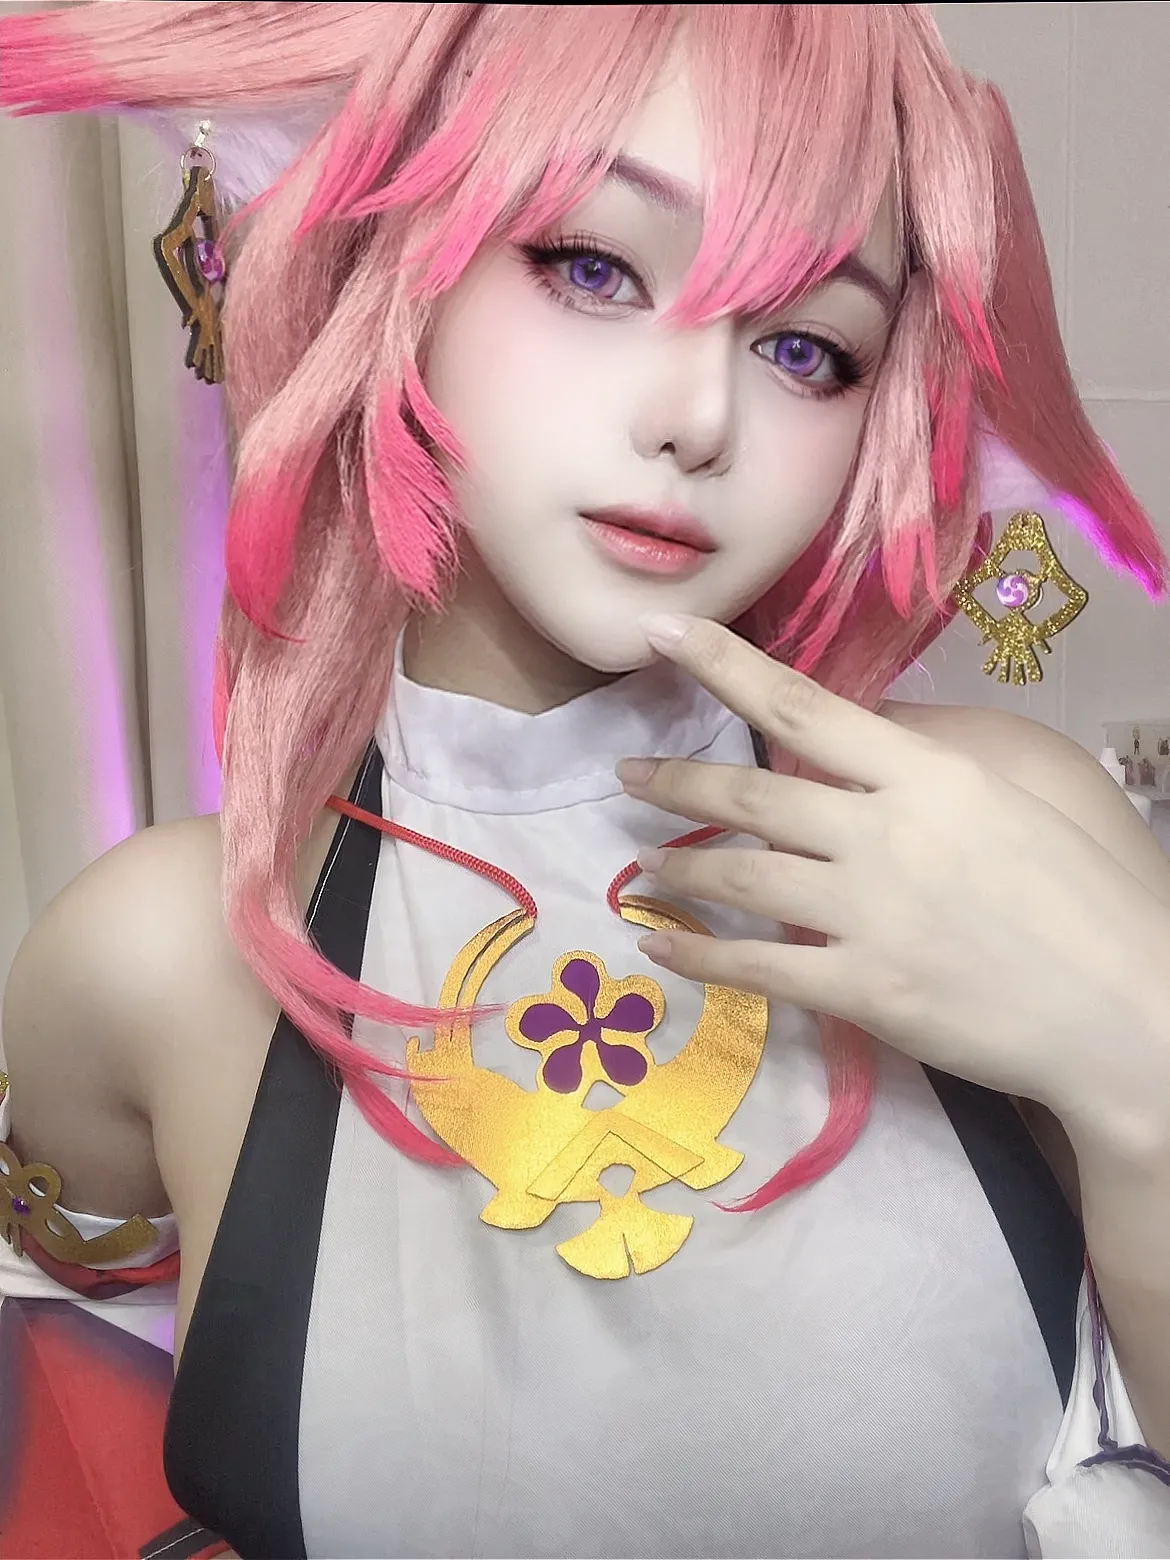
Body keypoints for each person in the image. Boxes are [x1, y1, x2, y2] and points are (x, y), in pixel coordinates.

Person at [0, 4, 1168, 1557]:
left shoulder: (1006, 826)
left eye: (806, 348)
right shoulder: (155, 952)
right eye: (592, 268)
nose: (696, 418)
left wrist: (1145, 1077)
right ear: (399, 264)